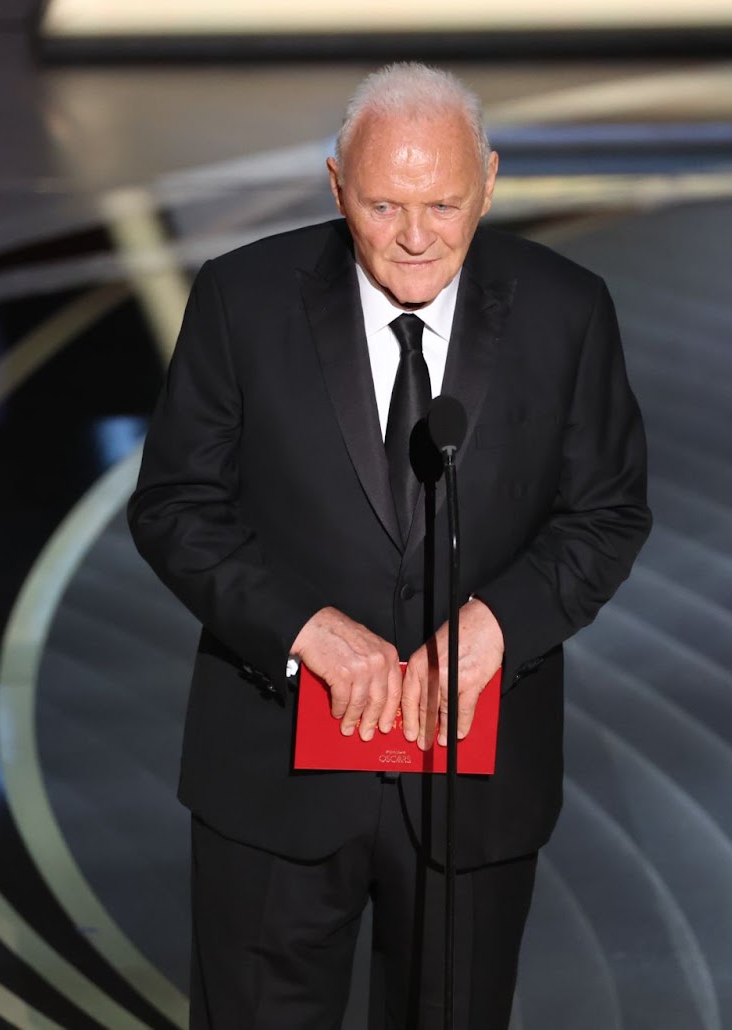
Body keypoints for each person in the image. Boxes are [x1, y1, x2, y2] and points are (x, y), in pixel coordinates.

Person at [128, 61, 650, 1030]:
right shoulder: (242, 302)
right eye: (383, 204)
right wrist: (300, 627)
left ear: (488, 182)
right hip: (274, 782)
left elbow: (608, 510)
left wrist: (499, 623)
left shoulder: (565, 312)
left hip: (471, 792)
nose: (415, 237)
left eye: (444, 204)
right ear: (336, 186)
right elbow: (174, 505)